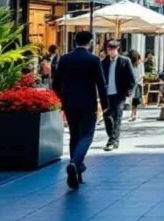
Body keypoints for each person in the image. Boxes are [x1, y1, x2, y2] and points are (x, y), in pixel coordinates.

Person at [52, 32, 108, 188]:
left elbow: (56, 83)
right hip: (88, 104)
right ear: (90, 42)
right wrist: (105, 105)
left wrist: (62, 99)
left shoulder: (65, 59)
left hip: (70, 104)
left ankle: (76, 173)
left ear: (74, 41)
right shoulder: (93, 60)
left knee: (74, 135)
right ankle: (75, 163)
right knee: (87, 135)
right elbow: (101, 84)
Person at [100, 40, 136, 151]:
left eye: (112, 49)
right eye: (108, 49)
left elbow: (132, 79)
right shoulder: (104, 62)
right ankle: (113, 137)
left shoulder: (125, 61)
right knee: (107, 117)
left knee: (117, 117)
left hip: (119, 94)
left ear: (117, 49)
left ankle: (112, 140)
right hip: (106, 95)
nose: (110, 51)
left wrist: (128, 93)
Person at [129, 50, 145, 122]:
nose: (137, 61)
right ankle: (132, 114)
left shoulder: (141, 65)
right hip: (132, 84)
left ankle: (134, 114)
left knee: (136, 100)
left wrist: (138, 80)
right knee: (131, 99)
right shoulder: (131, 65)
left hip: (138, 84)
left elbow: (142, 74)